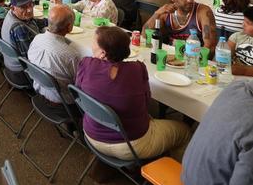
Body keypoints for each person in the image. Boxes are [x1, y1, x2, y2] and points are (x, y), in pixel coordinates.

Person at [76, 26, 191, 160]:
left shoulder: (86, 64)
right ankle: (172, 176)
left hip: (91, 135)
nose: (91, 46)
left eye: (93, 43)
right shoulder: (137, 69)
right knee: (185, 131)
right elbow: (146, 102)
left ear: (103, 53)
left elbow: (79, 92)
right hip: (130, 145)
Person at [27, 5, 82, 104]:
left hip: (38, 88)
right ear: (69, 27)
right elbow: (79, 84)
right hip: (62, 100)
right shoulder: (72, 55)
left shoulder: (37, 38)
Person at [144, 0, 217, 51]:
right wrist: (157, 14)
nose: (190, 0)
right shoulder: (165, 13)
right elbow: (144, 35)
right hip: (170, 56)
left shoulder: (203, 12)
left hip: (194, 58)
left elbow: (210, 46)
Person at [1, 0, 46, 85]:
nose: (29, 10)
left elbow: (34, 22)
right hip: (22, 73)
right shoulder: (18, 27)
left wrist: (53, 22)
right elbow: (32, 58)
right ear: (13, 8)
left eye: (30, 4)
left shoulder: (11, 15)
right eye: (23, 7)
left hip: (10, 66)